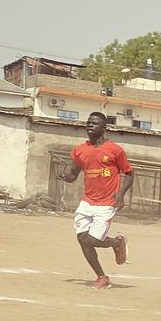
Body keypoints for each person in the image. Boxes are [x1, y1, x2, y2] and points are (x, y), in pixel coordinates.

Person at [60, 112, 131, 288]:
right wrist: (65, 176)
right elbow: (73, 175)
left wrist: (121, 194)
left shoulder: (115, 150)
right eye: (88, 123)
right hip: (87, 201)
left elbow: (129, 173)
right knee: (82, 239)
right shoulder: (79, 151)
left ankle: (117, 242)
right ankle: (102, 277)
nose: (90, 126)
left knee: (93, 240)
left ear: (104, 128)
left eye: (94, 123)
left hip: (107, 203)